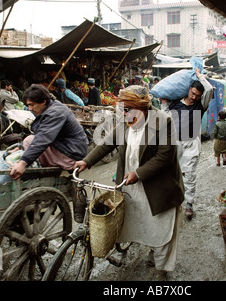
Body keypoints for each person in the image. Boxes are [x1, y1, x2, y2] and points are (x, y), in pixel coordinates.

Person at [74, 85, 184, 281]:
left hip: (158, 186)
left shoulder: (162, 122)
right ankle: (150, 247)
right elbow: (108, 143)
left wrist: (139, 173)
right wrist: (86, 161)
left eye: (127, 109)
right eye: (121, 109)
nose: (124, 114)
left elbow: (165, 157)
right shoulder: (127, 120)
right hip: (131, 183)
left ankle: (162, 270)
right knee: (140, 222)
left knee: (160, 228)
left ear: (141, 108)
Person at [161, 68, 213, 219]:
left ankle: (189, 203)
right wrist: (164, 104)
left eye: (198, 95)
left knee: (189, 174)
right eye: (193, 94)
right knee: (171, 172)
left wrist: (199, 76)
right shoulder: (175, 104)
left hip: (191, 143)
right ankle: (172, 200)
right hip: (175, 142)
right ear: (189, 90)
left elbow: (209, 90)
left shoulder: (200, 106)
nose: (195, 97)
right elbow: (165, 116)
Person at [9, 84, 88, 179]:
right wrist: (19, 146)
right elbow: (40, 132)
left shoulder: (55, 112)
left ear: (43, 101)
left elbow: (43, 138)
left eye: (32, 105)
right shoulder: (49, 108)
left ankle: (41, 176)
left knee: (29, 141)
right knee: (28, 142)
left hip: (72, 153)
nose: (30, 109)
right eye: (28, 105)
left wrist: (23, 162)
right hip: (64, 147)